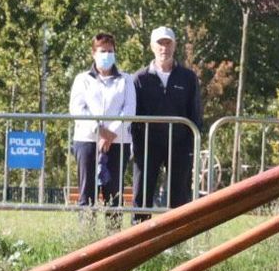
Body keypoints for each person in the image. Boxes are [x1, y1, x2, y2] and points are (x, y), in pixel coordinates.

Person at [131, 26, 203, 213]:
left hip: (179, 146)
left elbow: (195, 113)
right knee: (142, 196)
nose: (164, 48)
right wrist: (137, 143)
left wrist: (190, 144)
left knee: (180, 198)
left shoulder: (188, 78)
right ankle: (140, 239)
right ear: (152, 46)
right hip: (148, 146)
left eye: (168, 43)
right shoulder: (139, 78)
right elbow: (133, 115)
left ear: (175, 45)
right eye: (160, 43)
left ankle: (178, 239)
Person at [69, 32, 137, 213]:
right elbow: (77, 109)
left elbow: (129, 109)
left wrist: (111, 133)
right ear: (93, 53)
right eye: (102, 51)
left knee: (114, 194)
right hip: (87, 141)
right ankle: (87, 235)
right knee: (87, 192)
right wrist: (99, 131)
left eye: (110, 51)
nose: (106, 55)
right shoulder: (82, 79)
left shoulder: (126, 79)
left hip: (118, 142)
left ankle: (114, 236)